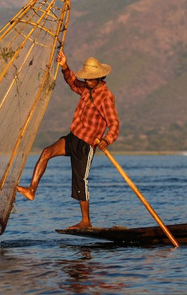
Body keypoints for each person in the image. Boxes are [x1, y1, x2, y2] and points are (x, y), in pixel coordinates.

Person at [15, 49, 119, 229]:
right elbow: (73, 83)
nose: (86, 81)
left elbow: (114, 123)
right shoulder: (87, 89)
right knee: (46, 152)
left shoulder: (106, 97)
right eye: (86, 78)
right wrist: (64, 65)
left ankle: (86, 221)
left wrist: (107, 140)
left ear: (99, 78)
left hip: (87, 144)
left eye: (90, 78)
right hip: (74, 136)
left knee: (80, 180)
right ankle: (31, 190)